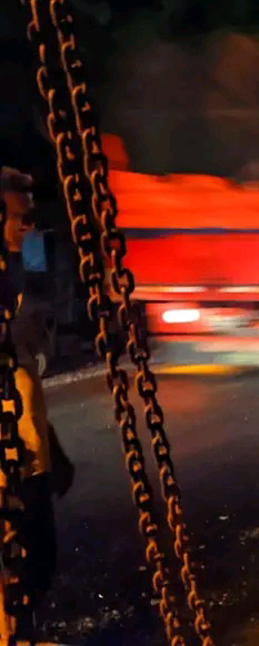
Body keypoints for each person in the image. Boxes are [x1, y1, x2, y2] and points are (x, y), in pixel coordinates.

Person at [0, 166, 74, 640]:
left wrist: (50, 445)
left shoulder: (22, 273)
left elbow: (22, 375)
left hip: (29, 456)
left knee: (40, 566)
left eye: (30, 216)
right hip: (9, 469)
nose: (28, 226)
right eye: (18, 216)